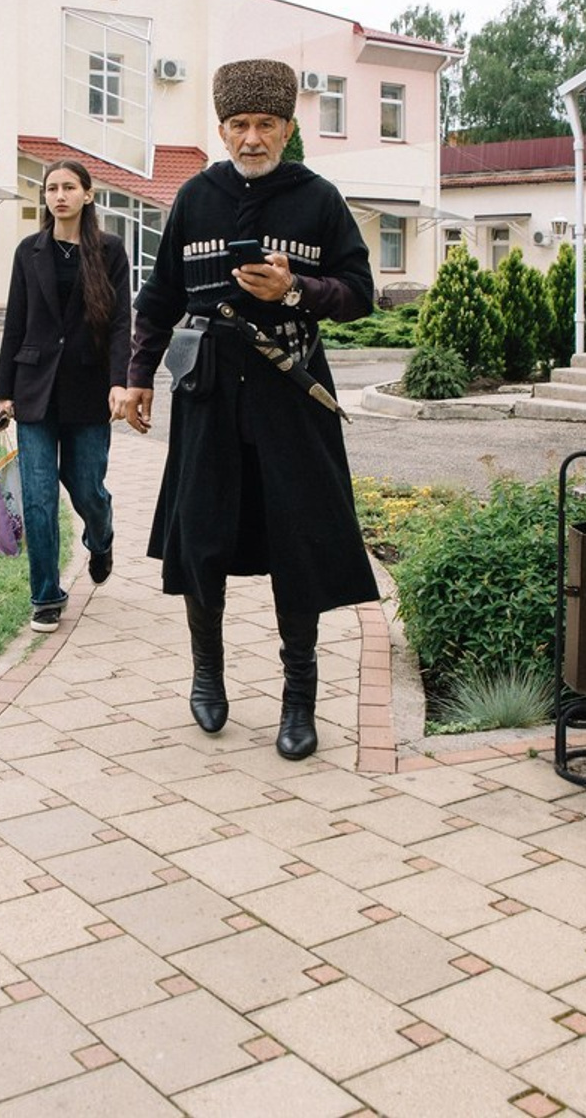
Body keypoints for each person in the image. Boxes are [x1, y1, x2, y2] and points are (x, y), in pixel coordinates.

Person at [120, 59, 380, 760]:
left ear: (289, 128)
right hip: (207, 393)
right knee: (201, 536)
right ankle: (207, 675)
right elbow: (159, 298)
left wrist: (294, 290)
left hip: (291, 391)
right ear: (222, 129)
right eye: (239, 125)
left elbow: (360, 293)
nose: (253, 138)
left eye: (267, 124)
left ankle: (300, 700)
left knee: (297, 541)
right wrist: (138, 376)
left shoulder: (318, 198)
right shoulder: (195, 198)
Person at [0, 159, 132, 632]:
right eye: (52, 188)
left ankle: (102, 534)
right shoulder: (28, 251)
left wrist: (120, 381)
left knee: (87, 486)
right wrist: (4, 392)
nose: (59, 196)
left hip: (89, 388)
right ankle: (46, 595)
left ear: (87, 195)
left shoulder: (110, 251)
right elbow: (16, 320)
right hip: (34, 389)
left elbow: (120, 323)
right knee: (37, 495)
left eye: (69, 187)